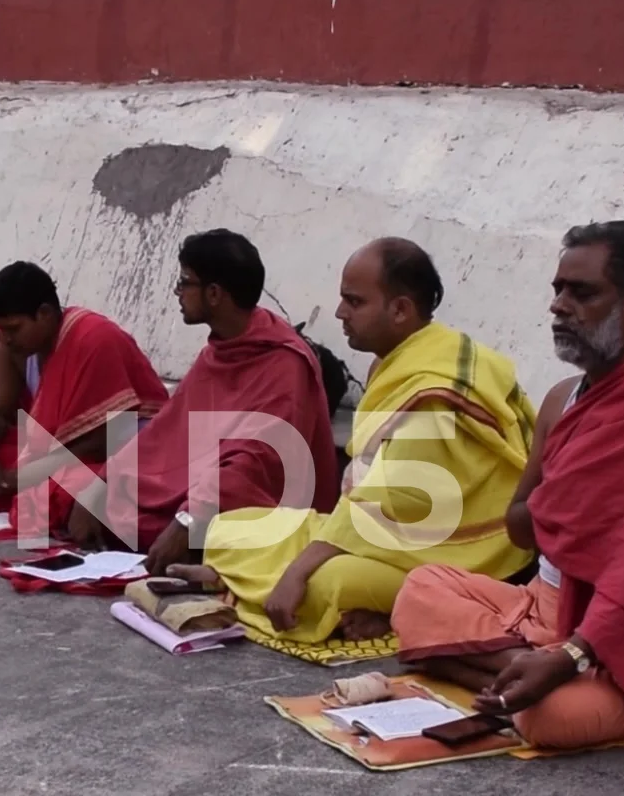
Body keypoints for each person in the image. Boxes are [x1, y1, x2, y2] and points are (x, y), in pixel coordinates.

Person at [390, 222, 624, 748]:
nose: (559, 306)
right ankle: (529, 672)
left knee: (550, 719)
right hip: (546, 607)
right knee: (418, 591)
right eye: (557, 290)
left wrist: (576, 652)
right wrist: (573, 505)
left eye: (581, 292)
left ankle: (547, 677)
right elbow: (520, 527)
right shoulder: (563, 398)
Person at [172, 238, 536, 645]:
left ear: (400, 309)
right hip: (390, 535)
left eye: (355, 302)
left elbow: (378, 506)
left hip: (460, 557)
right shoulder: (406, 359)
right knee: (232, 527)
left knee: (327, 581)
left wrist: (297, 572)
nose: (340, 313)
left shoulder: (432, 390)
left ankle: (243, 588)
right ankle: (240, 583)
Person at [61, 230, 342, 574]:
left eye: (184, 283)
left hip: (252, 508)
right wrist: (100, 486)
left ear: (213, 294)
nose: (178, 293)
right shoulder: (219, 350)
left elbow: (258, 462)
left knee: (206, 536)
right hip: (201, 494)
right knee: (77, 496)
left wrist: (186, 520)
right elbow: (164, 435)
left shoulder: (285, 362)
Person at [0, 260, 168, 525]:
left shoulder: (93, 337)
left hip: (122, 452)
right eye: (1, 330)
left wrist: (26, 475)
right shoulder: (14, 345)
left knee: (57, 490)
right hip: (55, 452)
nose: (6, 338)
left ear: (45, 314)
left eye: (14, 328)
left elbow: (105, 438)